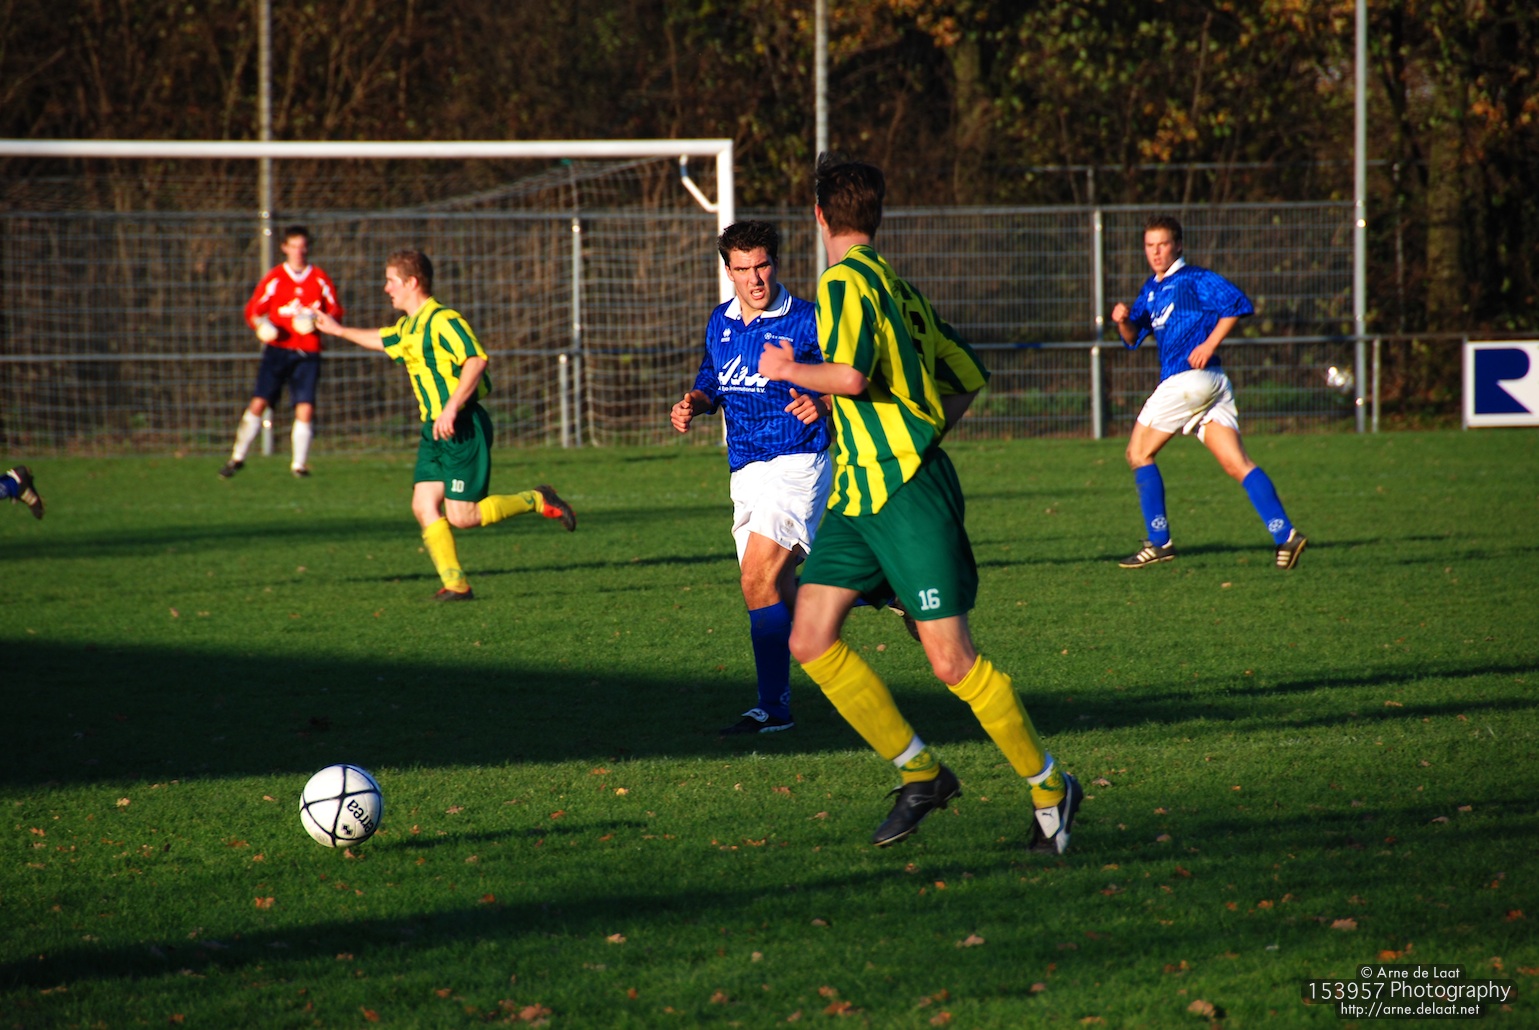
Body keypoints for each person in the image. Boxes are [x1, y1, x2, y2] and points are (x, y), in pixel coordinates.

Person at [757, 156, 1080, 853]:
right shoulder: (898, 288)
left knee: (950, 661)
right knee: (809, 637)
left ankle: (1051, 785)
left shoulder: (843, 282)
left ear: (819, 216)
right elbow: (965, 376)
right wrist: (909, 422)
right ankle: (921, 773)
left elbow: (850, 375)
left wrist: (786, 369)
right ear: (876, 215)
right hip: (858, 496)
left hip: (904, 494)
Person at [312, 249, 576, 601]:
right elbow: (384, 340)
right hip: (434, 429)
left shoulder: (444, 320)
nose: (386, 288)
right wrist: (338, 330)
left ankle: (536, 499)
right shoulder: (409, 326)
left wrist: (451, 408)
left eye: (391, 281)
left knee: (463, 517)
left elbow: (476, 360)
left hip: (461, 426)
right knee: (423, 505)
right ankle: (456, 585)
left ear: (411, 282)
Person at [671, 220, 831, 736]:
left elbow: (850, 377)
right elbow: (711, 379)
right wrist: (694, 402)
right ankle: (871, 587)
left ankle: (772, 708)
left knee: (756, 578)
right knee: (776, 591)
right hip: (745, 468)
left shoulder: (807, 320)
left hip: (797, 460)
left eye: (762, 266)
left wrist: (823, 402)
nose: (755, 279)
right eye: (743, 269)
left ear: (775, 264)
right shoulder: (719, 321)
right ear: (729, 271)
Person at [1109, 215, 1306, 570]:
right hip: (1210, 384)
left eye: (1163, 244)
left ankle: (1159, 543)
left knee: (1138, 454)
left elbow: (1237, 304)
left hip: (1189, 380)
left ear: (1178, 245)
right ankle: (1286, 535)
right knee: (1236, 463)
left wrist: (1210, 342)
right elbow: (1133, 338)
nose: (1156, 252)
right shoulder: (1151, 289)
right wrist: (1123, 320)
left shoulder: (1195, 278)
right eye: (1150, 245)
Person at [221, 225, 345, 479]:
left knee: (305, 407)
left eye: (303, 246)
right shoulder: (276, 277)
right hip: (277, 351)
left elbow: (335, 310)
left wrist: (316, 320)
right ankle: (237, 457)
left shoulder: (319, 278)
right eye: (294, 246)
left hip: (308, 352)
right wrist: (261, 325)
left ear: (308, 248)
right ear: (284, 248)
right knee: (259, 402)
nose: (299, 251)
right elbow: (253, 310)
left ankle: (299, 466)